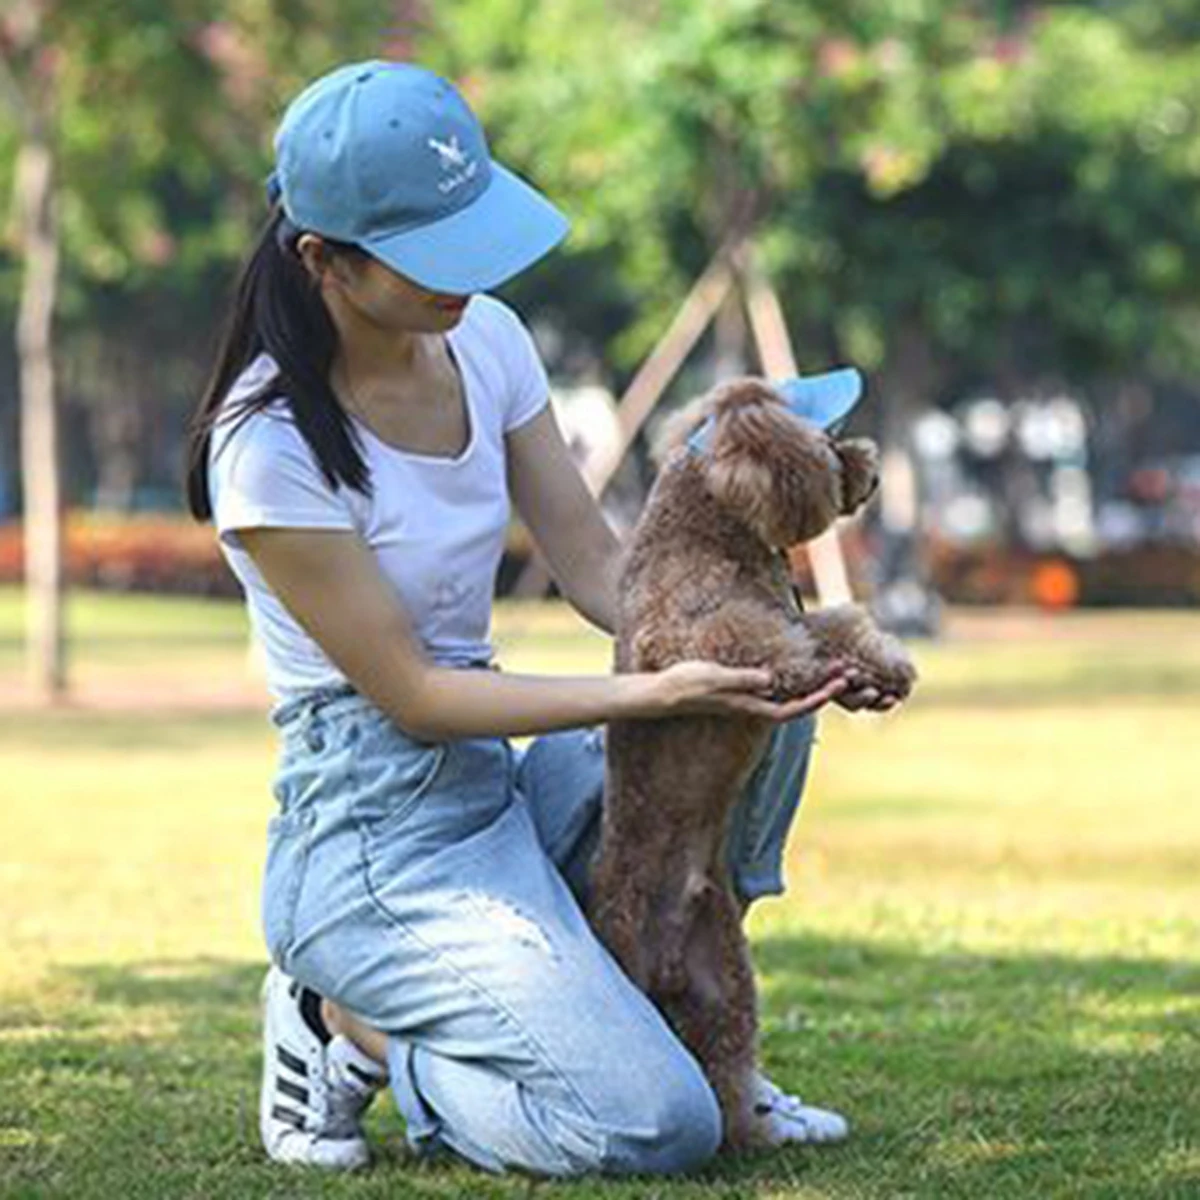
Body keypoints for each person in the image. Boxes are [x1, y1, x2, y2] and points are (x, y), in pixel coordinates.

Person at [185, 60, 904, 1179]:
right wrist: (654, 689)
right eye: (430, 253)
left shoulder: (489, 342)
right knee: (654, 1127)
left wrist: (741, 644)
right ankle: (345, 1023)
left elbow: (600, 567)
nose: (467, 276)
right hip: (375, 839)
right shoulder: (268, 446)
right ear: (324, 259)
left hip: (497, 791)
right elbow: (417, 696)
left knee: (772, 687)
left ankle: (685, 1006)